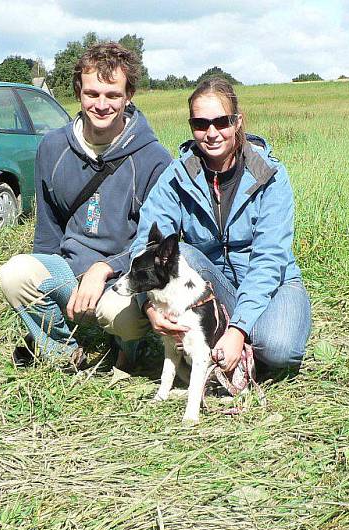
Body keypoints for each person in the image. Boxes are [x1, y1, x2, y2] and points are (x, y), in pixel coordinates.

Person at [0, 42, 172, 369]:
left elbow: (156, 243)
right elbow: (47, 233)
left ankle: (128, 348)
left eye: (113, 95)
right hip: (70, 272)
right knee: (14, 273)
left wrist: (104, 268)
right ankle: (63, 352)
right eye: (92, 94)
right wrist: (56, 287)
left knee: (115, 315)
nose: (102, 104)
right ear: (78, 92)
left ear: (129, 96)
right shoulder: (52, 147)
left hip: (124, 281)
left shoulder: (154, 160)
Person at [124, 77, 311, 375]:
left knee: (279, 351)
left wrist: (237, 329)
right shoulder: (177, 176)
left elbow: (270, 258)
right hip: (212, 283)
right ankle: (221, 334)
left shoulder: (271, 176)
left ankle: (239, 335)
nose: (211, 133)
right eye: (200, 124)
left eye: (221, 122)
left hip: (272, 280)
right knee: (178, 251)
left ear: (237, 122)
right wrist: (148, 303)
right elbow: (146, 242)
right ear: (191, 126)